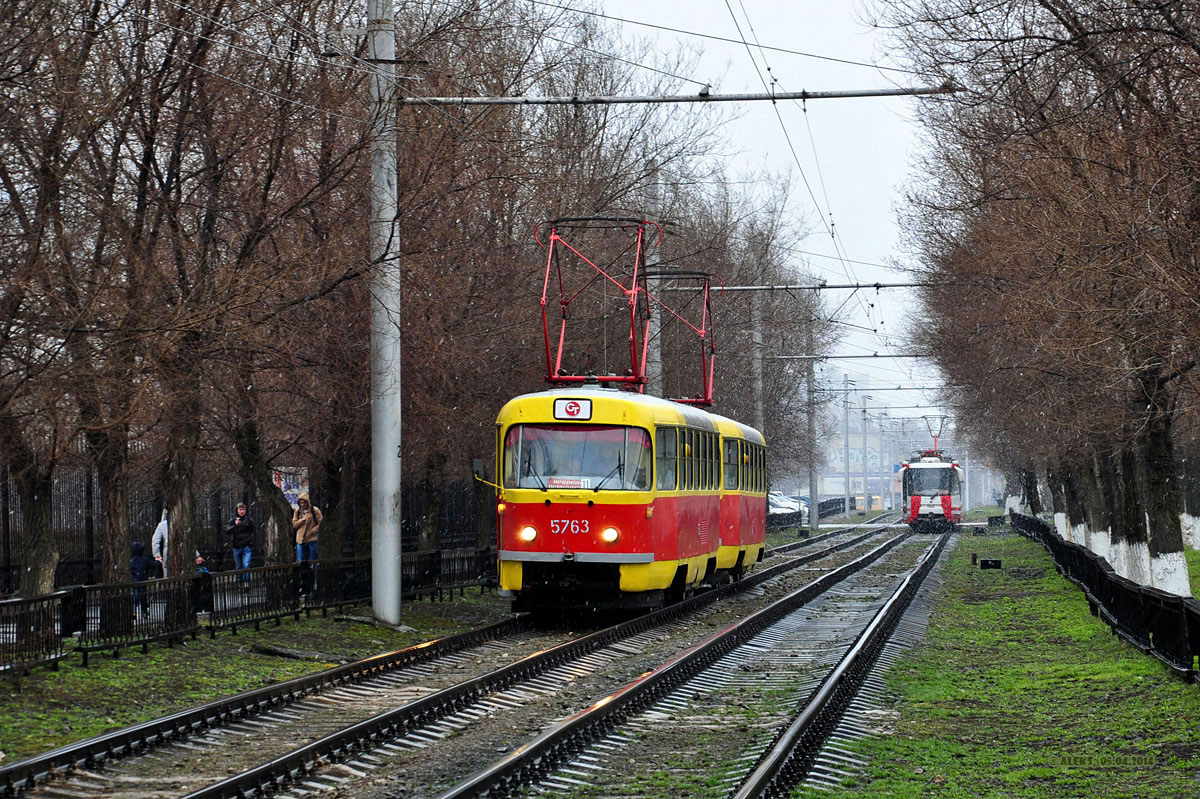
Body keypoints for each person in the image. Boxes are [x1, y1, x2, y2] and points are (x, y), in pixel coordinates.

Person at [225, 502, 255, 586]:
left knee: (246, 565)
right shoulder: (232, 520)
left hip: (246, 546)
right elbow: (227, 531)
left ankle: (246, 583)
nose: (242, 511)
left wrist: (250, 542)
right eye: (240, 509)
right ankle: (240, 582)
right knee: (239, 566)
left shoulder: (249, 520)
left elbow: (253, 532)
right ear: (237, 510)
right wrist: (235, 525)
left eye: (243, 509)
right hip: (236, 546)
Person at [292, 493, 322, 563]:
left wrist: (313, 530)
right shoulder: (297, 511)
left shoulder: (314, 510)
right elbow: (294, 525)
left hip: (312, 538)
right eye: (301, 503)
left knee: (313, 558)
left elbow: (321, 523)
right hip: (300, 539)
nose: (302, 505)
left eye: (304, 503)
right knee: (301, 560)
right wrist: (301, 521)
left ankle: (313, 568)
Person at [130, 541, 153, 620]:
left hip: (134, 582)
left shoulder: (131, 560)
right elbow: (153, 565)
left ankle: (133, 612)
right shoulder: (144, 559)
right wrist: (158, 561)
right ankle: (144, 613)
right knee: (143, 598)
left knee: (134, 598)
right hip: (143, 582)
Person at [152, 510, 169, 578]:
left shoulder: (162, 524)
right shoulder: (182, 521)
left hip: (167, 550)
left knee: (166, 571)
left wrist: (157, 555)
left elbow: (155, 540)